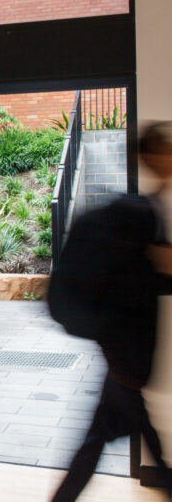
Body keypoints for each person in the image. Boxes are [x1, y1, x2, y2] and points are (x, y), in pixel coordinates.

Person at [49, 122, 172, 501]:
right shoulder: (141, 214)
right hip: (127, 351)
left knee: (104, 437)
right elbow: (154, 276)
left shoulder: (144, 210)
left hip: (122, 349)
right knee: (106, 437)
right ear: (153, 157)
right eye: (166, 149)